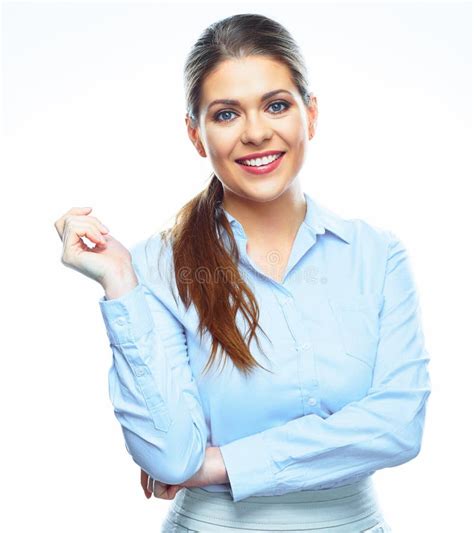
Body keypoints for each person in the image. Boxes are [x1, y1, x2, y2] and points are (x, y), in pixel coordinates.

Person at [54, 13, 431, 533]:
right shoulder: (155, 266)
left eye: (277, 105)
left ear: (311, 115)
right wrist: (120, 280)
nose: (256, 133)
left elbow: (399, 425)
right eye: (227, 114)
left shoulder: (377, 255)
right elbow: (168, 455)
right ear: (195, 133)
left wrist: (218, 465)